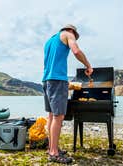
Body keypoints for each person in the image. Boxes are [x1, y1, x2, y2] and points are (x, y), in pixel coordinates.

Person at [42, 24, 93, 164]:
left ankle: (52, 148)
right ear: (72, 31)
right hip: (58, 80)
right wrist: (88, 65)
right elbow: (76, 51)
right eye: (75, 36)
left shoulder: (49, 41)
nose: (74, 38)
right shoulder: (68, 34)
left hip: (47, 80)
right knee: (59, 116)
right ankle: (53, 153)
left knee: (52, 115)